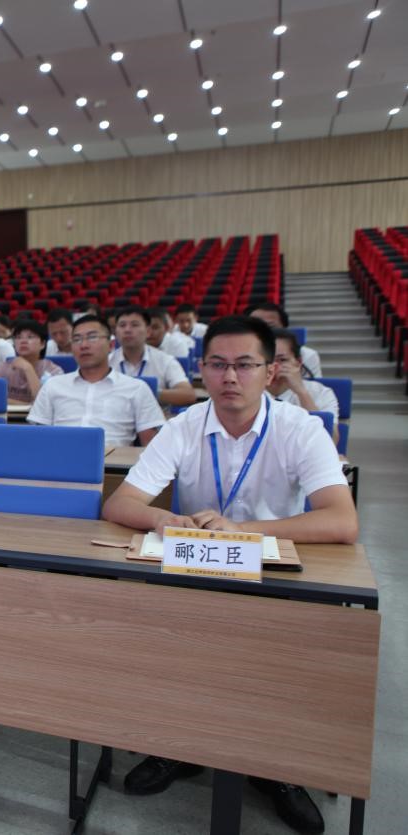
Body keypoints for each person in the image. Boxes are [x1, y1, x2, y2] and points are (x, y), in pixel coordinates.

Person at [104, 315, 356, 835]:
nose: (230, 377)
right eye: (218, 365)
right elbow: (120, 503)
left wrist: (245, 531)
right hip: (197, 567)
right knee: (165, 640)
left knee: (280, 658)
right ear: (202, 370)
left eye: (245, 365)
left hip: (275, 572)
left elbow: (341, 520)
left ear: (271, 371)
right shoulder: (185, 425)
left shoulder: (300, 428)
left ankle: (277, 767)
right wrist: (163, 518)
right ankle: (177, 745)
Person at [28, 316, 164, 447]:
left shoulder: (136, 388)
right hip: (62, 458)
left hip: (114, 461)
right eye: (77, 339)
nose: (84, 345)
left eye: (92, 337)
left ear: (111, 345)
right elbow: (37, 439)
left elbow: (151, 446)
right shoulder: (53, 385)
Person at [109, 306, 196, 408]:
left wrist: (149, 392)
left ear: (148, 331)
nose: (127, 330)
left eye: (134, 325)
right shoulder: (107, 361)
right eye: (122, 325)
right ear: (116, 332)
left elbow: (188, 395)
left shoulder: (165, 360)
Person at [270, 329, 340, 436]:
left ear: (298, 362)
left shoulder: (320, 392)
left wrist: (301, 392)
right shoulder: (249, 392)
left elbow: (331, 438)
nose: (275, 367)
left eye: (282, 360)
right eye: (268, 361)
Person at [0, 319, 65, 403]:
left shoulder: (53, 371)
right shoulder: (2, 368)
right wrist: (26, 405)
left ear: (42, 344)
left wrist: (28, 368)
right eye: (18, 337)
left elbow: (45, 403)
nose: (23, 341)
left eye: (30, 337)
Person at [249, 302, 321, 377]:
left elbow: (311, 384)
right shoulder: (240, 354)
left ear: (284, 328)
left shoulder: (306, 355)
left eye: (270, 327)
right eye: (255, 328)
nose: (262, 333)